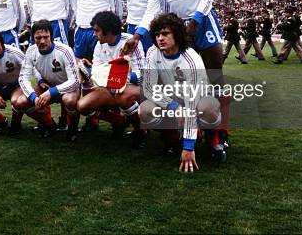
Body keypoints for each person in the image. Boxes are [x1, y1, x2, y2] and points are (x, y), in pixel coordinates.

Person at [121, 0, 229, 153]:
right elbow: (152, 9)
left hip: (203, 22)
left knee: (214, 78)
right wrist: (137, 36)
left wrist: (196, 20)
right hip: (179, 29)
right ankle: (188, 131)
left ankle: (218, 134)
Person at [140, 13, 223, 170]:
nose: (160, 38)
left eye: (165, 34)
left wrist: (188, 148)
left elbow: (192, 102)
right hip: (174, 100)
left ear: (177, 34)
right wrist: (173, 107)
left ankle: (212, 140)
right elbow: (149, 87)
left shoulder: (191, 59)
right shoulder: (153, 52)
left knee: (207, 107)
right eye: (157, 34)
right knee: (144, 110)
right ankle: (172, 139)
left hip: (198, 100)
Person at [0, 28, 54, 135]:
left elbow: (31, 66)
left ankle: (42, 123)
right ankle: (0, 121)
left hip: (16, 85)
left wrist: (40, 80)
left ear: (1, 42)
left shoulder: (14, 52)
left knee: (18, 101)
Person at [76, 11, 146, 148]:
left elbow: (141, 74)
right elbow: (98, 71)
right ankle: (120, 121)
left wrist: (119, 78)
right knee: (82, 106)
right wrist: (88, 72)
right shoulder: (99, 45)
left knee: (123, 97)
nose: (93, 34)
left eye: (97, 31)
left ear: (108, 31)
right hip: (110, 86)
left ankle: (140, 131)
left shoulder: (130, 42)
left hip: (134, 87)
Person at [15, 20, 81, 142]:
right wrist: (34, 97)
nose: (42, 41)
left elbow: (75, 81)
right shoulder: (31, 51)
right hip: (47, 86)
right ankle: (49, 124)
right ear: (33, 37)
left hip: (68, 88)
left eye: (46, 37)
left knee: (69, 100)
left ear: (51, 35)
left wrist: (52, 91)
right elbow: (23, 78)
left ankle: (73, 128)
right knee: (21, 102)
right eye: (38, 37)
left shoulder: (64, 50)